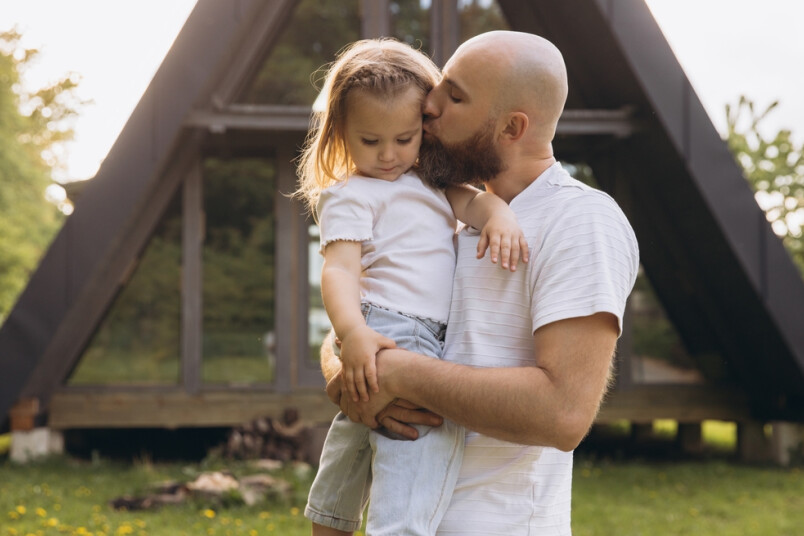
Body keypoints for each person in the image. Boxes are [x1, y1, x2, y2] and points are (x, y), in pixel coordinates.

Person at [321, 31, 640, 535]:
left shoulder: (580, 221)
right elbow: (372, 310)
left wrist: (396, 372)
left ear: (512, 127)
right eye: (439, 86)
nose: (429, 105)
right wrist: (345, 361)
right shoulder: (440, 206)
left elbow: (563, 414)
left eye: (455, 96)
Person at [295, 38, 529, 536]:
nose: (387, 156)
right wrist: (351, 333)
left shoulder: (432, 185)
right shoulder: (349, 194)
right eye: (370, 140)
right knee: (387, 478)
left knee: (366, 461)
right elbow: (339, 270)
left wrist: (499, 213)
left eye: (403, 139)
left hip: (396, 336)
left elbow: (476, 205)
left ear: (423, 126)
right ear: (340, 133)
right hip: (384, 332)